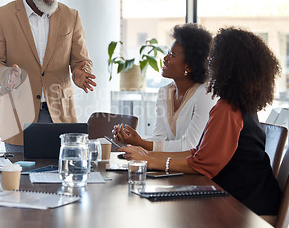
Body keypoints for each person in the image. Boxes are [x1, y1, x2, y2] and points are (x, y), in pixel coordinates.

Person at [118, 27, 282, 216]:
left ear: (228, 65)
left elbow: (202, 166)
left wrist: (148, 159)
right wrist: (146, 154)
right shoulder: (239, 106)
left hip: (249, 212)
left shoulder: (226, 109)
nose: (209, 63)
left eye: (213, 58)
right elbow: (198, 155)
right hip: (248, 201)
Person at [0, 0, 97, 152]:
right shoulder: (2, 17)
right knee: (19, 180)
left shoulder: (71, 16)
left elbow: (82, 60)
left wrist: (81, 71)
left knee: (62, 176)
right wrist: (7, 75)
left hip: (61, 115)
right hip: (17, 119)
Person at [114, 24, 216, 152]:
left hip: (194, 170)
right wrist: (134, 140)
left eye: (172, 55)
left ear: (189, 66)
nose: (165, 58)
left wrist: (140, 143)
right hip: (169, 168)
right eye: (168, 53)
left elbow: (190, 146)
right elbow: (159, 138)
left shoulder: (205, 94)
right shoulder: (165, 92)